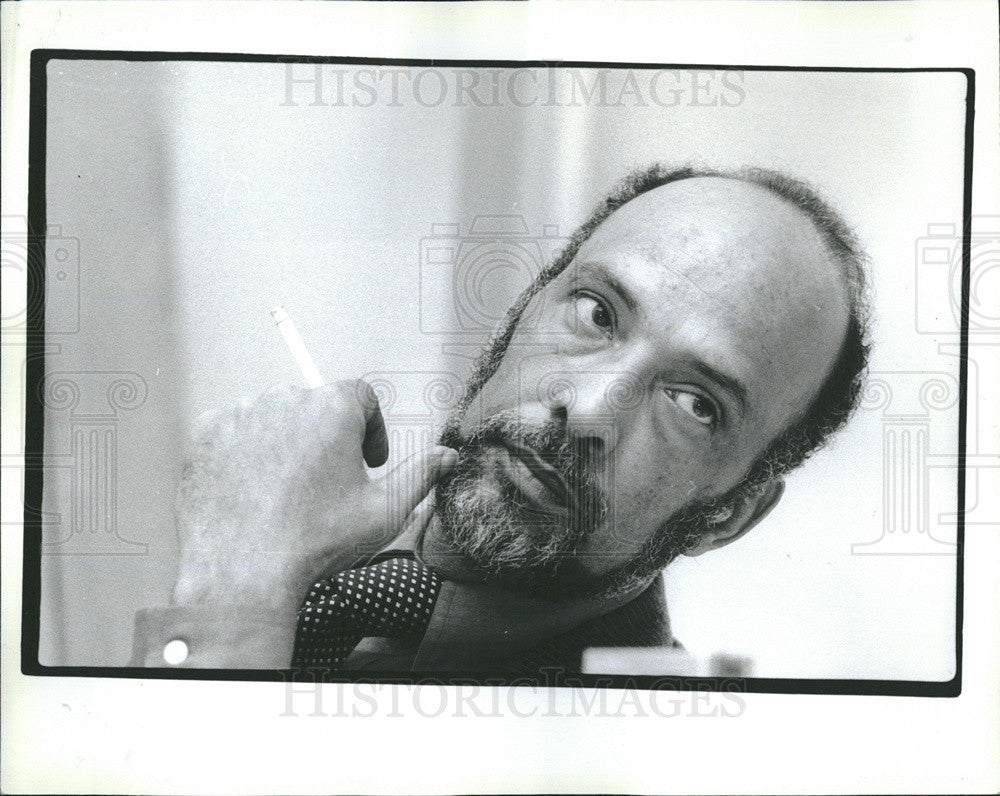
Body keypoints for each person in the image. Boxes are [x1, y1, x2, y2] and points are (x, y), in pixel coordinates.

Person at [129, 163, 870, 676]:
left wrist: (232, 597)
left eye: (694, 403)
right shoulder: (311, 528)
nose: (586, 410)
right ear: (523, 309)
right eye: (596, 313)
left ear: (727, 515)